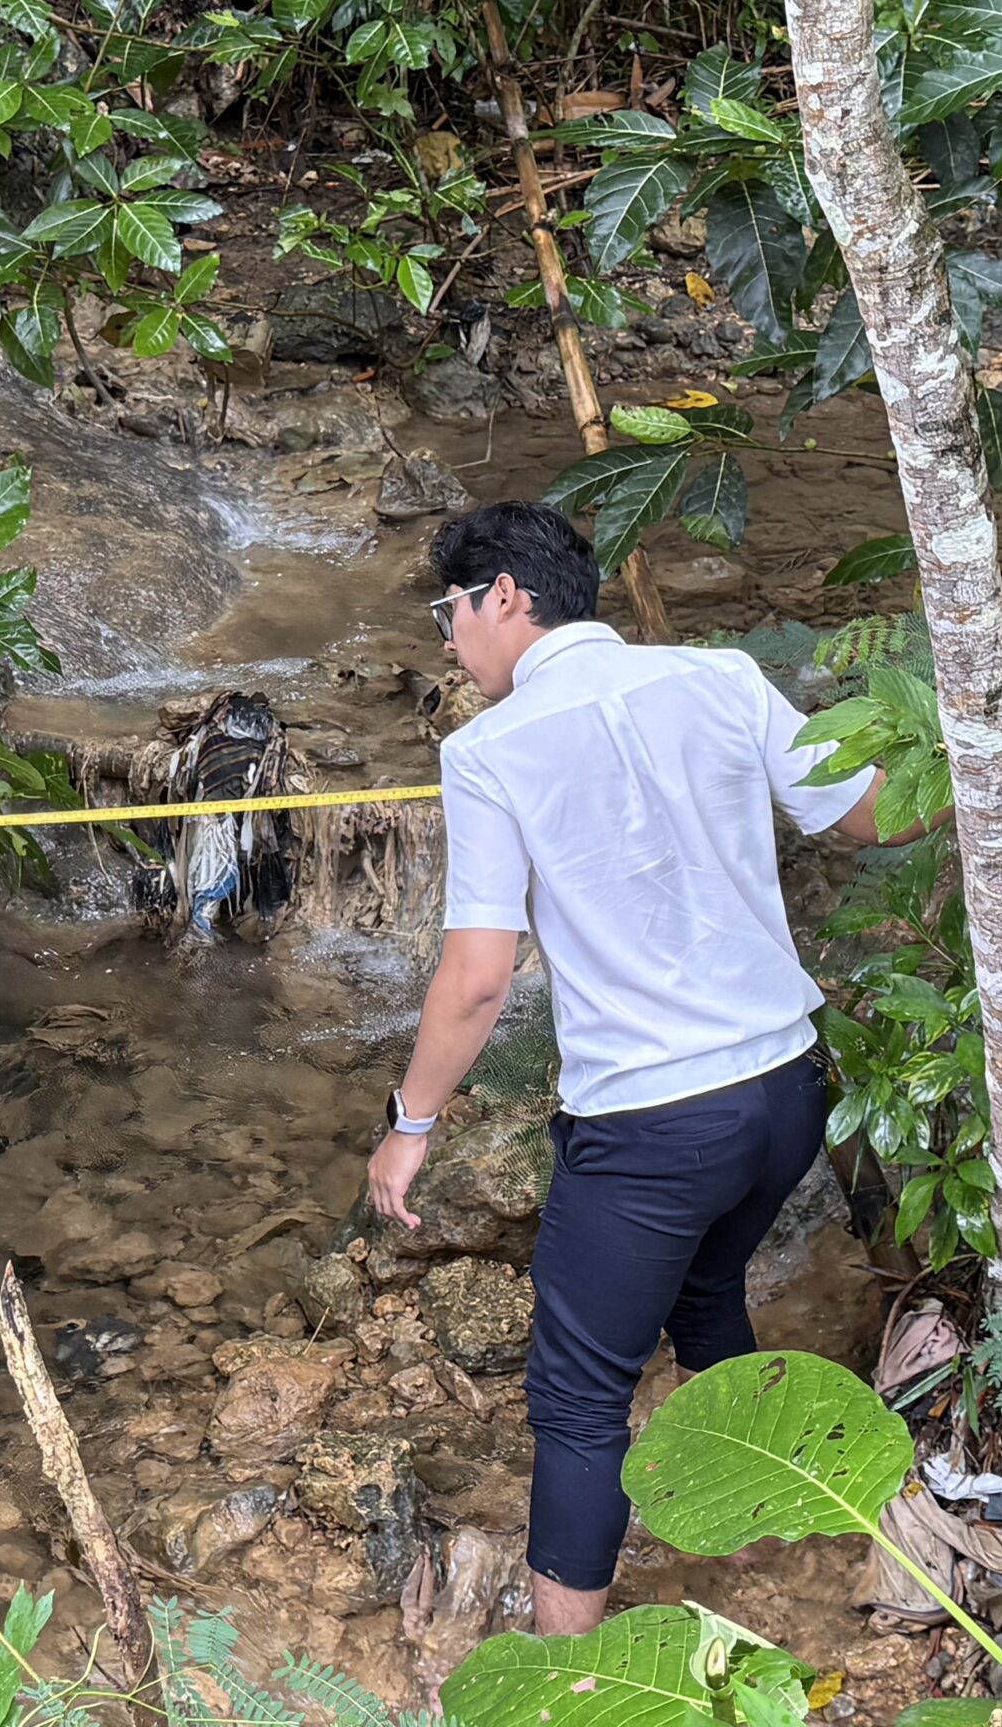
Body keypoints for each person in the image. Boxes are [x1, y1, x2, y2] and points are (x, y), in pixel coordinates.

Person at [365, 501, 932, 1636]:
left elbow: (478, 977)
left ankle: (568, 1679)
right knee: (705, 1291)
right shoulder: (720, 678)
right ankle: (779, 1532)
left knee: (577, 1400)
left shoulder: (485, 751)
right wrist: (991, 757)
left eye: (448, 612)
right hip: (783, 1091)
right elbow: (873, 819)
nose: (445, 641)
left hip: (649, 1127)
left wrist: (409, 1123)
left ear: (505, 598)